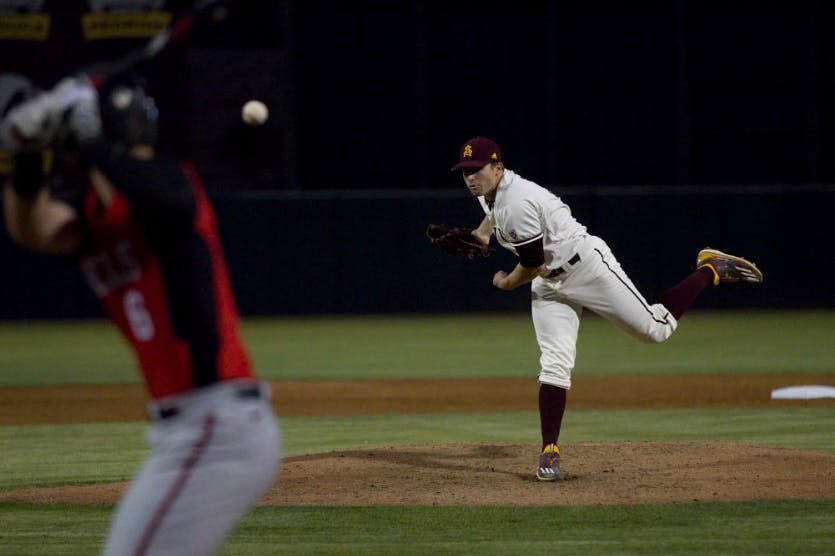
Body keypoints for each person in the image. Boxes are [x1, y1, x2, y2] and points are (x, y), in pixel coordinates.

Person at [1, 73, 281, 554]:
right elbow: (31, 228)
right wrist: (28, 155)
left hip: (218, 425)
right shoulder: (94, 218)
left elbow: (163, 198)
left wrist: (88, 141)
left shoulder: (172, 185)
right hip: (183, 432)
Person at [451, 136, 763, 482]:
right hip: (550, 283)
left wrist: (506, 283)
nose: (470, 177)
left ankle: (710, 269)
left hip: (585, 267)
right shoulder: (489, 193)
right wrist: (481, 235)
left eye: (476, 169)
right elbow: (494, 215)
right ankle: (549, 451)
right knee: (555, 363)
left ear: (498, 167)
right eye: (465, 171)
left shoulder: (518, 201)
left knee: (655, 330)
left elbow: (531, 263)